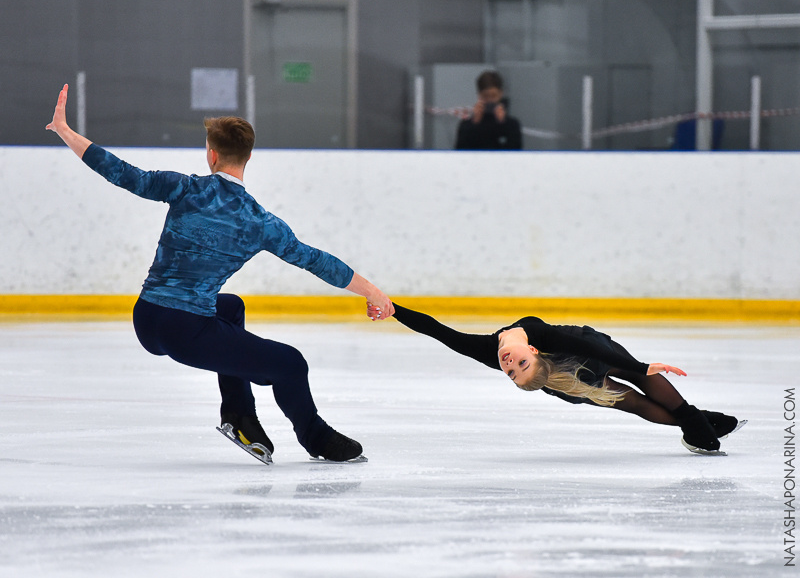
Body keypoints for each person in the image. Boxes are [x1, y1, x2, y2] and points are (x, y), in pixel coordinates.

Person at [46, 84, 395, 464]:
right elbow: (314, 260)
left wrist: (65, 131)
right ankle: (317, 439)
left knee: (230, 307)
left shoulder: (184, 188)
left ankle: (239, 414)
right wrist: (372, 291)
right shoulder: (260, 222)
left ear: (211, 154)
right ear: (248, 157)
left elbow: (121, 172)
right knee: (291, 364)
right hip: (185, 332)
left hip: (147, 319)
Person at [380, 303, 744, 455]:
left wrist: (393, 309)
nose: (509, 364)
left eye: (514, 368)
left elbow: (436, 330)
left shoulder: (488, 350)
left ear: (533, 351)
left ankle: (700, 425)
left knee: (634, 389)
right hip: (576, 368)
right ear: (533, 351)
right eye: (517, 369)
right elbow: (584, 346)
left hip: (584, 358)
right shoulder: (538, 339)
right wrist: (640, 366)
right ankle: (699, 425)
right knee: (633, 395)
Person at [455, 70, 522, 151]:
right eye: (485, 96)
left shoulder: (512, 125)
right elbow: (460, 151)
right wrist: (474, 124)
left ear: (500, 94)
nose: (490, 100)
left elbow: (515, 151)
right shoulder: (466, 125)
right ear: (479, 95)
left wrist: (503, 124)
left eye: (494, 96)